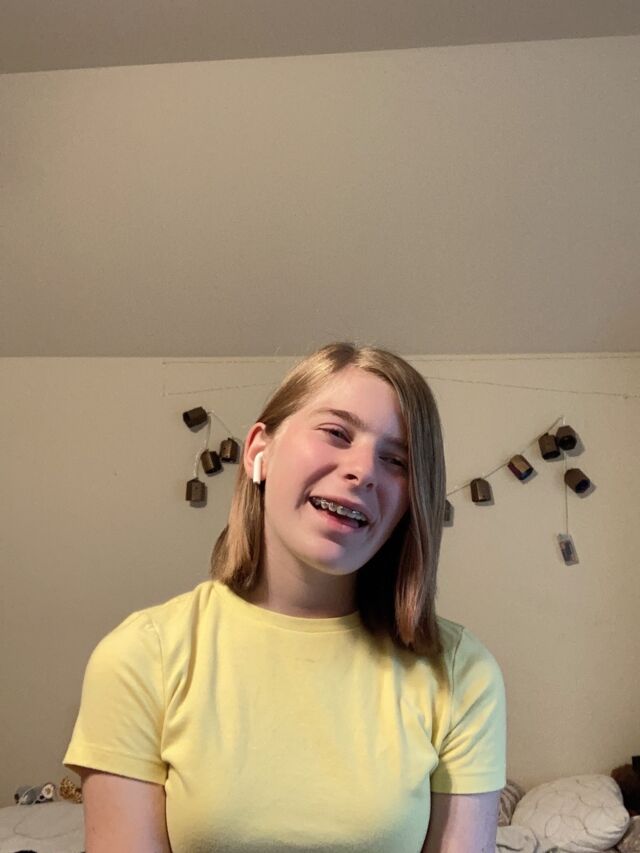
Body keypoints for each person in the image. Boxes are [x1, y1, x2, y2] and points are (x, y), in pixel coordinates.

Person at [64, 342, 506, 852]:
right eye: (337, 433)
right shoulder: (142, 656)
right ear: (259, 450)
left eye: (396, 460)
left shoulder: (461, 672)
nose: (364, 471)